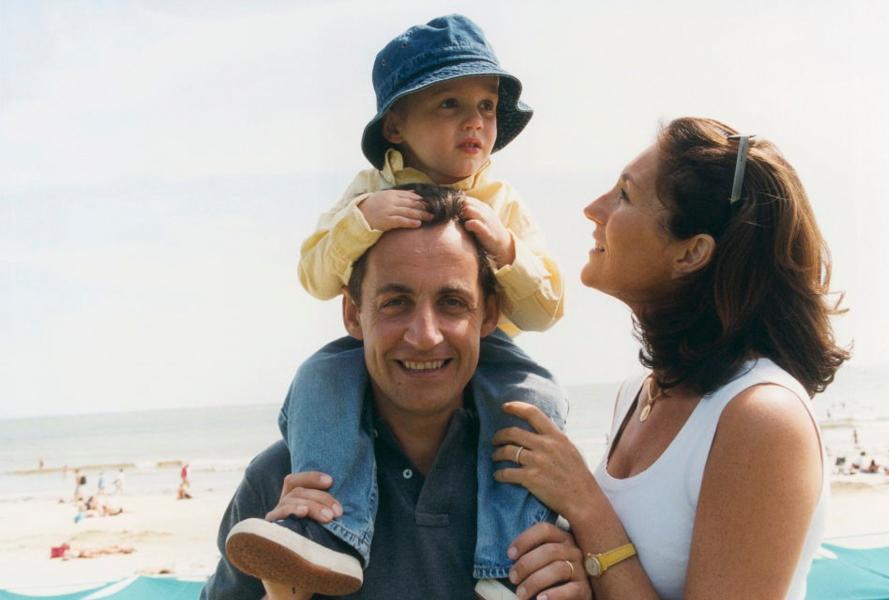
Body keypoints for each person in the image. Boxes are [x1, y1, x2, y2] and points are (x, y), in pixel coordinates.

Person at [225, 14, 567, 597]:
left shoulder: (501, 202)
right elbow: (314, 274)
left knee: (539, 397)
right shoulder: (366, 193)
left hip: (495, 354)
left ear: (482, 309)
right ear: (396, 126)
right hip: (335, 442)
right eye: (449, 104)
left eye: (487, 106)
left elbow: (544, 311)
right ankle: (328, 534)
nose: (475, 121)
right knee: (318, 378)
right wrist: (360, 225)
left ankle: (507, 563)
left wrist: (507, 251)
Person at [491, 118, 849, 599]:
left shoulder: (762, 418)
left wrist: (587, 507)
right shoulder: (638, 394)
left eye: (624, 195)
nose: (593, 208)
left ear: (691, 253)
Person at [204, 188, 586, 600]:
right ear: (353, 313)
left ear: (489, 314)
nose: (425, 336)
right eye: (396, 302)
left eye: (453, 302)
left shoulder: (539, 475)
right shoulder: (282, 479)